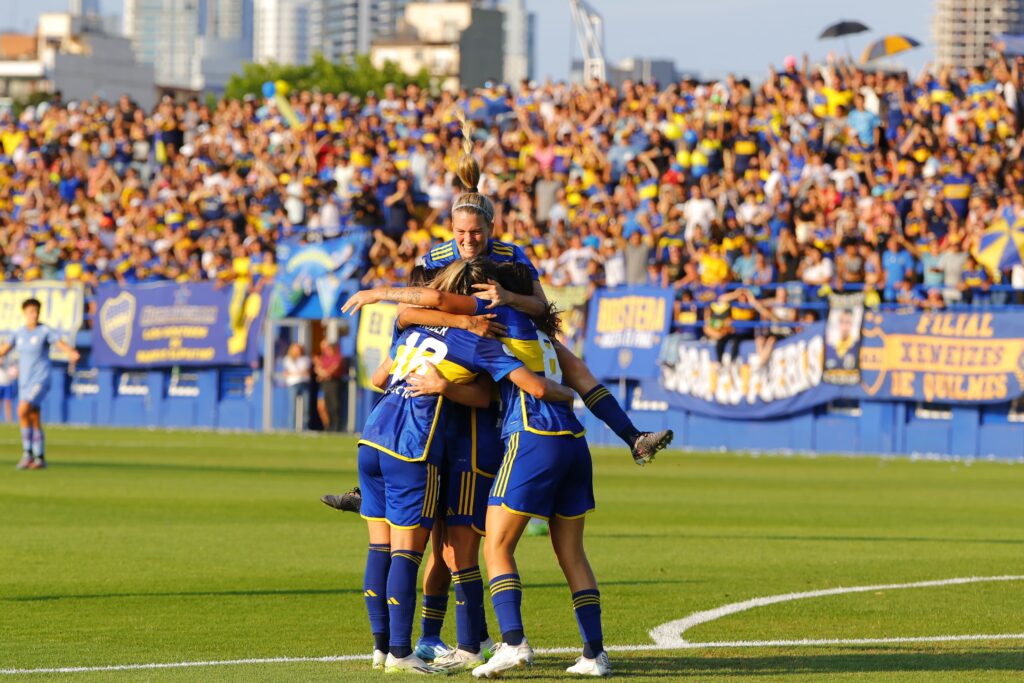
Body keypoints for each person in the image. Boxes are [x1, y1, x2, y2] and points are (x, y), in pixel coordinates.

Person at [346, 257, 574, 674]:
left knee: (440, 550)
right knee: (444, 552)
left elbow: (380, 375)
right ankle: (441, 645)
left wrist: (380, 296)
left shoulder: (414, 327)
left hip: (385, 436)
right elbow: (499, 393)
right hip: (426, 445)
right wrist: (563, 394)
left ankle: (425, 644)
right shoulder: (483, 336)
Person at [418, 112, 672, 467]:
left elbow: (540, 307)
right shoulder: (435, 257)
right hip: (459, 340)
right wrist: (464, 323)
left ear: (492, 227)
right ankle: (378, 474)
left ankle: (634, 438)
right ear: (451, 227)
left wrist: (508, 298)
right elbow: (416, 312)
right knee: (410, 380)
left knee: (575, 367)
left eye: (475, 232)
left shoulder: (511, 255)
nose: (467, 240)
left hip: (510, 337)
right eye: (460, 232)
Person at [0, 298, 80, 469]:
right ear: (24, 313)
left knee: (22, 409)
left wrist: (70, 352)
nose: (34, 315)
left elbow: (59, 343)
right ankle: (40, 457)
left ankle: (27, 454)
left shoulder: (44, 331)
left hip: (41, 379)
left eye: (36, 311)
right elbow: (3, 350)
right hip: (24, 381)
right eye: (31, 311)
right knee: (33, 416)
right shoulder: (18, 333)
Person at [314, 338, 345, 432]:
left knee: (334, 405)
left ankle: (336, 426)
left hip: (334, 383)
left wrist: (323, 374)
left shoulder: (338, 357)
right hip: (325, 384)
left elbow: (332, 370)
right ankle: (329, 426)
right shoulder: (324, 357)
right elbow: (317, 369)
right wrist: (324, 374)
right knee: (326, 405)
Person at [282, 343, 311, 430]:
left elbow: (306, 372)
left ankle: (305, 428)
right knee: (293, 408)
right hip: (293, 384)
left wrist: (294, 373)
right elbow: (286, 373)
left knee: (306, 408)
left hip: (304, 384)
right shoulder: (287, 359)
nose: (298, 351)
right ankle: (292, 428)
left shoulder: (305, 359)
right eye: (296, 349)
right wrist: (298, 373)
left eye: (299, 349)